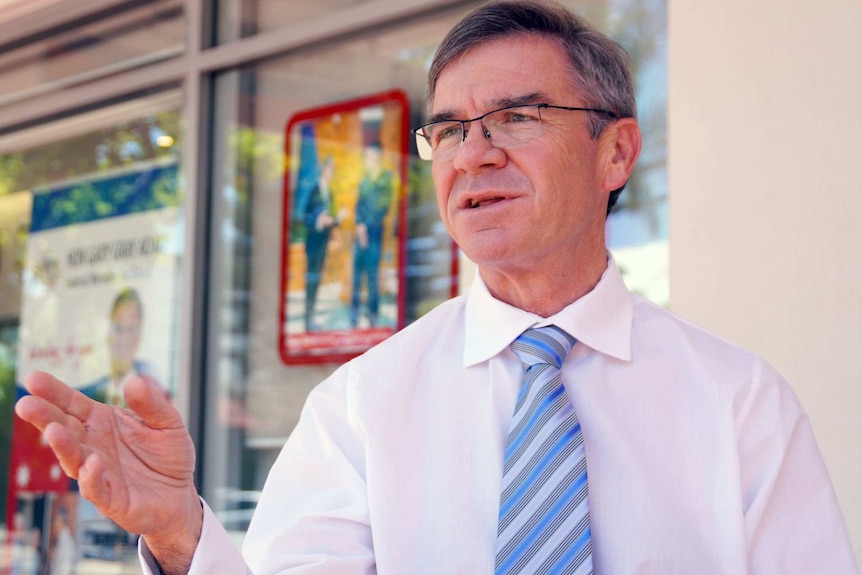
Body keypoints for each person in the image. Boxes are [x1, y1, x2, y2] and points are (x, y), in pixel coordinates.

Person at [14, 1, 859, 574]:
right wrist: (181, 534)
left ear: (617, 152)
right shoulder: (361, 406)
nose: (474, 154)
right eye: (449, 130)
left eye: (517, 118)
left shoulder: (742, 405)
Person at [78, 287, 166, 407]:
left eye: (131, 329)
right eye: (118, 328)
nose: (124, 339)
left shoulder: (156, 396)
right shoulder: (87, 395)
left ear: (140, 335)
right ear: (107, 333)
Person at [350, 141, 394, 328]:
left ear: (377, 156)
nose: (367, 159)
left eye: (370, 155)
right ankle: (353, 317)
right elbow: (358, 204)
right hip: (360, 234)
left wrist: (365, 227)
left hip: (374, 234)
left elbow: (382, 209)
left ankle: (373, 316)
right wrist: (359, 226)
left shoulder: (386, 179)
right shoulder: (364, 179)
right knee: (356, 276)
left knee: (372, 276)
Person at [300, 156, 341, 332]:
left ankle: (310, 319)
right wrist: (318, 220)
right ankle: (307, 321)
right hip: (313, 243)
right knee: (311, 281)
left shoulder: (329, 192)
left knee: (316, 281)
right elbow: (302, 216)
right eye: (330, 169)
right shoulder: (313, 189)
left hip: (323, 243)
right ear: (324, 170)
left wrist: (336, 220)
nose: (332, 173)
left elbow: (329, 218)